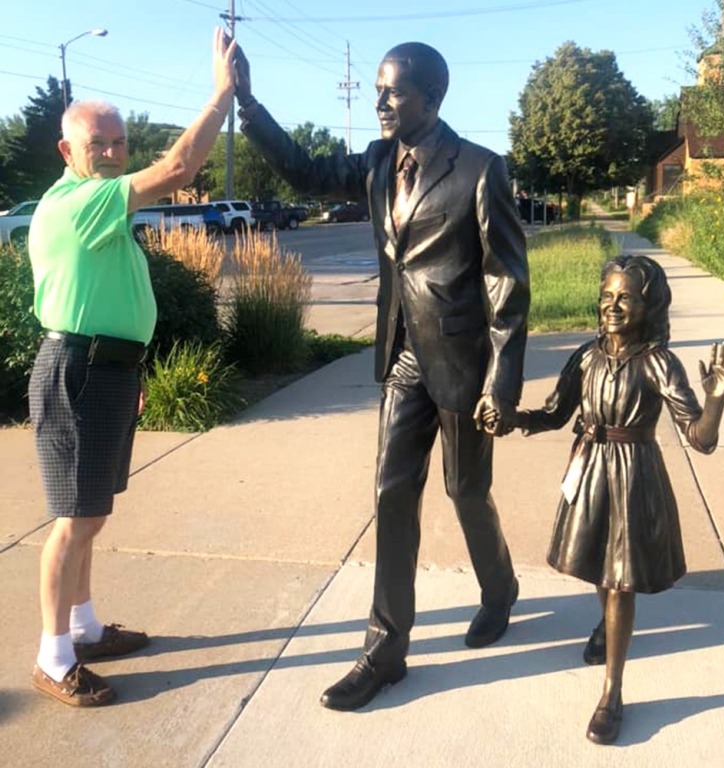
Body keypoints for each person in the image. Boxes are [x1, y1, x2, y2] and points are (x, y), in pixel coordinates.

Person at [233, 41, 530, 711]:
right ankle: (385, 648)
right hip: (402, 353)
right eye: (377, 89)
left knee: (466, 490)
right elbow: (303, 171)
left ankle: (501, 586)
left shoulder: (480, 170)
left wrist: (501, 384)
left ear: (431, 97)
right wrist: (247, 103)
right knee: (391, 492)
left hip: (459, 358)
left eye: (392, 91)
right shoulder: (374, 164)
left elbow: (508, 282)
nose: (379, 102)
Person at [27, 28, 237, 707]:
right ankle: (54, 658)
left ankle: (84, 627)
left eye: (119, 142)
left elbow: (108, 298)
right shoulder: (78, 203)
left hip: (106, 368)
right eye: (100, 145)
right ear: (68, 150)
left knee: (92, 513)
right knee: (72, 519)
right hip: (77, 370)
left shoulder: (100, 208)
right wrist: (223, 93)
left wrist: (133, 371)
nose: (114, 154)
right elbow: (178, 168)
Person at [487, 255, 724, 743]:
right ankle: (607, 630)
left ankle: (612, 692)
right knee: (599, 569)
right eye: (608, 295)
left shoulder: (658, 362)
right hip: (590, 471)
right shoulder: (586, 355)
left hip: (634, 475)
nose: (613, 305)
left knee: (620, 581)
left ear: (649, 305)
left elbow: (701, 439)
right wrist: (512, 419)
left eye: (626, 297)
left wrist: (715, 401)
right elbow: (554, 414)